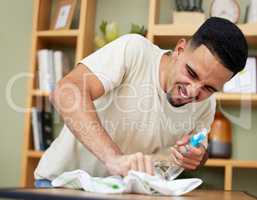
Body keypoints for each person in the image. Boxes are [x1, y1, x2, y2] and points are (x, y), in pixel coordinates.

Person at [34, 17, 248, 187]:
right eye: (191, 73)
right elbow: (66, 91)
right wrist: (114, 159)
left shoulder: (206, 105)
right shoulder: (134, 51)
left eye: (209, 88)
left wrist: (195, 158)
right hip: (61, 184)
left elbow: (198, 152)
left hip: (119, 192)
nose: (192, 92)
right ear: (179, 50)